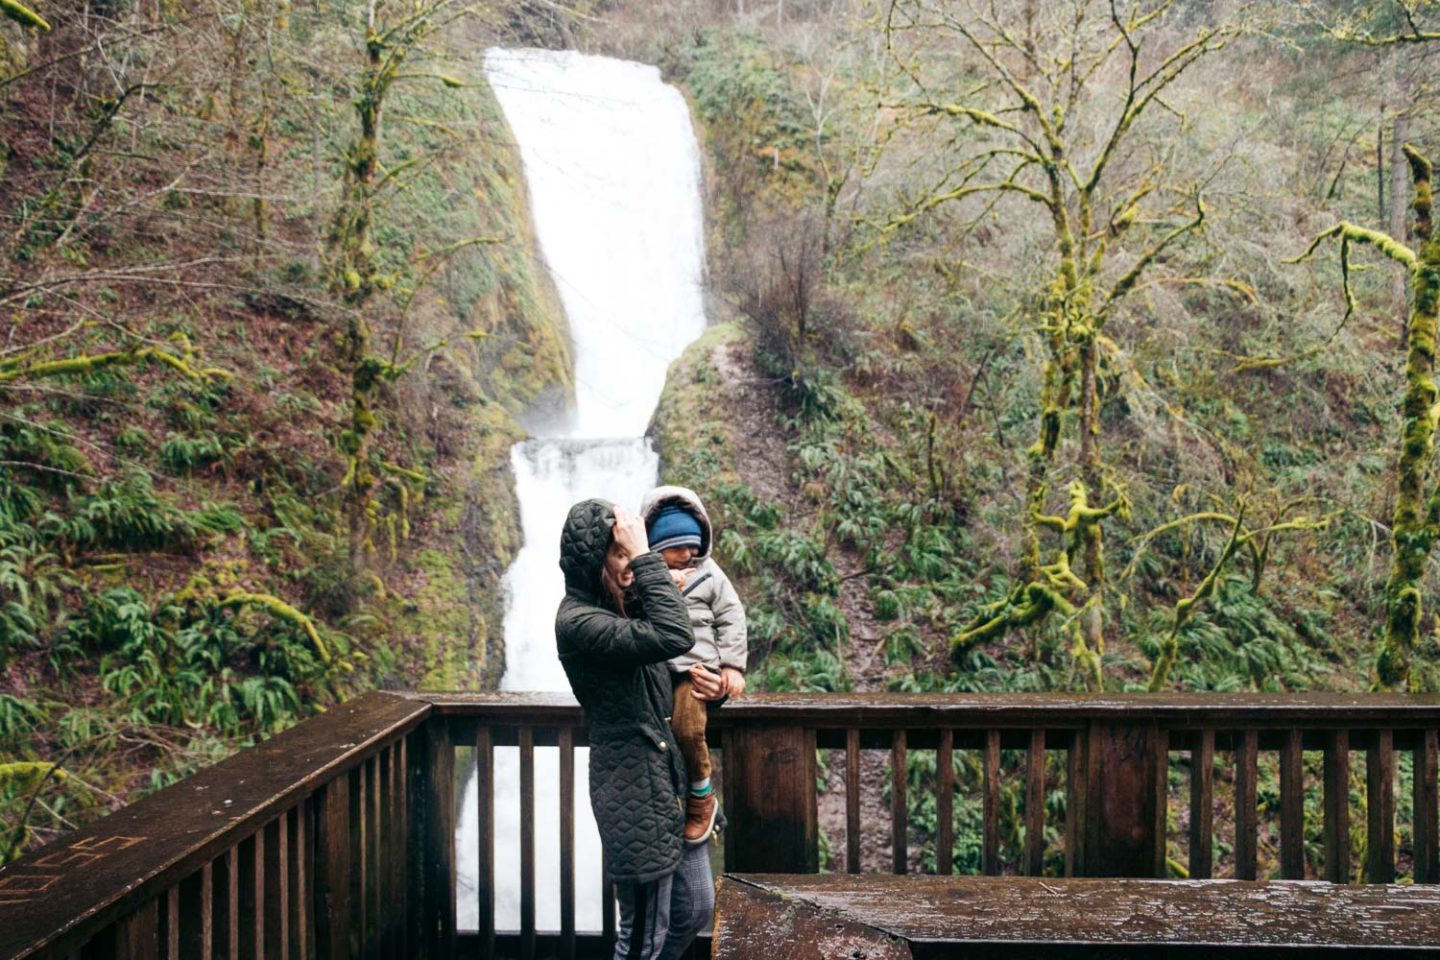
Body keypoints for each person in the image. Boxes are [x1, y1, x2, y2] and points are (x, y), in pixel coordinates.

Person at [555, 499, 724, 960]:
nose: (632, 563)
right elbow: (675, 635)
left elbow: (670, 670)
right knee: (641, 940)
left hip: (668, 786)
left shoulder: (622, 608)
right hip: (632, 791)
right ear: (596, 561)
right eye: (622, 553)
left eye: (636, 552)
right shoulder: (579, 622)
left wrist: (713, 686)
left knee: (694, 911)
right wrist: (648, 560)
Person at [640, 486, 747, 845]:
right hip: (654, 671)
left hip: (696, 672)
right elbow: (626, 605)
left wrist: (732, 666)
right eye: (676, 548)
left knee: (688, 730)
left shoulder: (710, 573)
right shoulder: (643, 575)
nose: (687, 554)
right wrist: (656, 581)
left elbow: (731, 615)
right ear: (654, 547)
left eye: (693, 545)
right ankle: (669, 803)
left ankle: (702, 797)